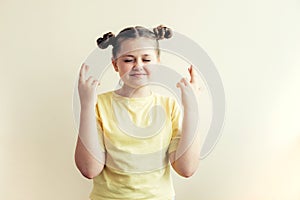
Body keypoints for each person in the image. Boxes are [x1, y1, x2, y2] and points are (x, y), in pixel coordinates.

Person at [74, 25, 202, 200]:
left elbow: (186, 169)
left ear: (158, 61)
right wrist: (87, 105)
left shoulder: (169, 106)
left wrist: (192, 108)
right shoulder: (99, 105)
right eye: (128, 60)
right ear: (115, 64)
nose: (138, 66)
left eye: (146, 59)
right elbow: (89, 169)